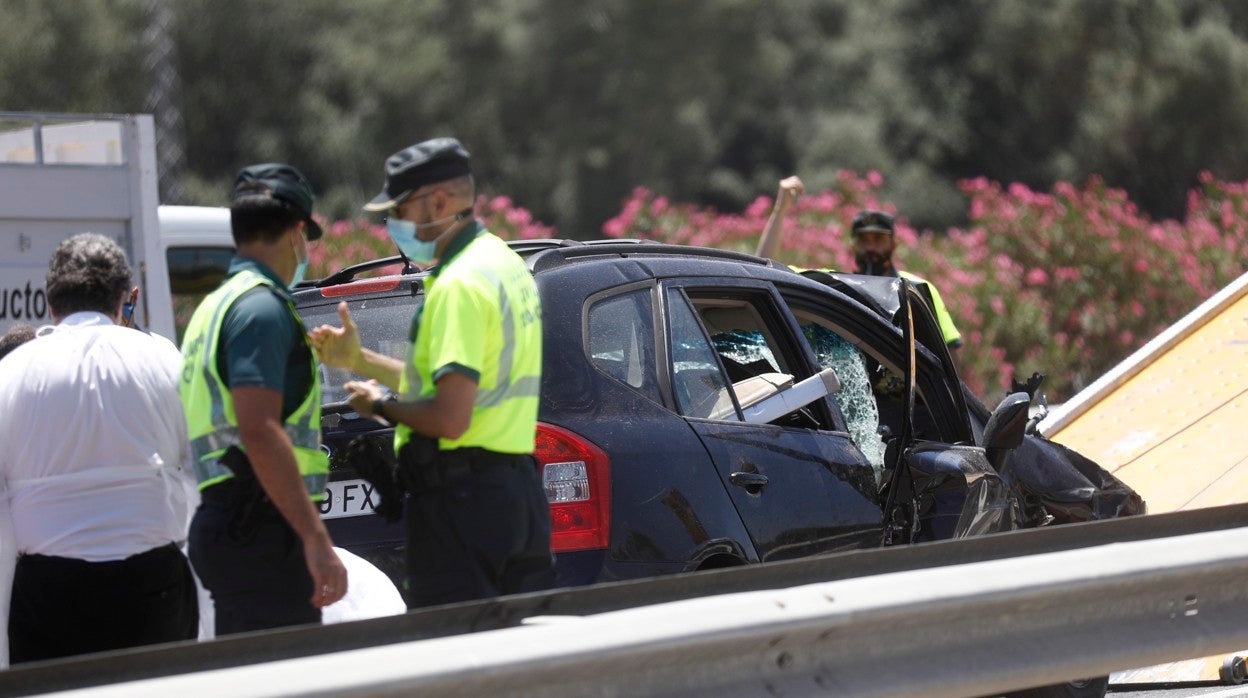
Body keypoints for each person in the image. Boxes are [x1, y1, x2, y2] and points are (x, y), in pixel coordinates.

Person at [309, 137, 555, 608]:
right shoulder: (502, 263)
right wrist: (361, 360)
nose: (393, 224)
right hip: (514, 496)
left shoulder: (459, 284)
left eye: (400, 209)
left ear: (438, 201)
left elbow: (450, 417)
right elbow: (456, 385)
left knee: (458, 666)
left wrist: (378, 405)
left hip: (461, 507)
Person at [0, 233, 199, 664]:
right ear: (123, 303)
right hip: (154, 587)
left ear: (50, 303)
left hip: (47, 596)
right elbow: (200, 472)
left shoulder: (11, 374)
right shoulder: (165, 361)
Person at [180, 163, 347, 635]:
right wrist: (314, 538)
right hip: (262, 529)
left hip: (232, 520)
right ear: (297, 231)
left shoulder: (214, 306)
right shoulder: (260, 309)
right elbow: (258, 428)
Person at [758, 176, 964, 358]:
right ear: (853, 245)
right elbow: (765, 272)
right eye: (864, 240)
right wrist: (780, 208)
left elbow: (949, 353)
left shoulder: (916, 289)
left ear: (893, 244)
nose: (871, 247)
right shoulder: (841, 286)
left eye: (878, 239)